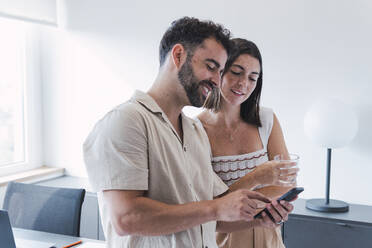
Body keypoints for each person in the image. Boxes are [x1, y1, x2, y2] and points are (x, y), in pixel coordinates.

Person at [83, 17, 294, 248]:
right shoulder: (126, 121)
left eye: (221, 70)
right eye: (211, 67)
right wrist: (217, 207)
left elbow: (215, 218)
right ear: (178, 55)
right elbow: (127, 218)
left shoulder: (194, 132)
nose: (216, 80)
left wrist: (261, 218)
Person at [198, 38, 299, 248]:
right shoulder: (196, 129)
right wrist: (259, 177)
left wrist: (235, 202)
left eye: (253, 78)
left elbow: (288, 184)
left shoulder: (267, 120)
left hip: (268, 237)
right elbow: (208, 206)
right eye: (236, 72)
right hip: (222, 240)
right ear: (220, 70)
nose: (244, 83)